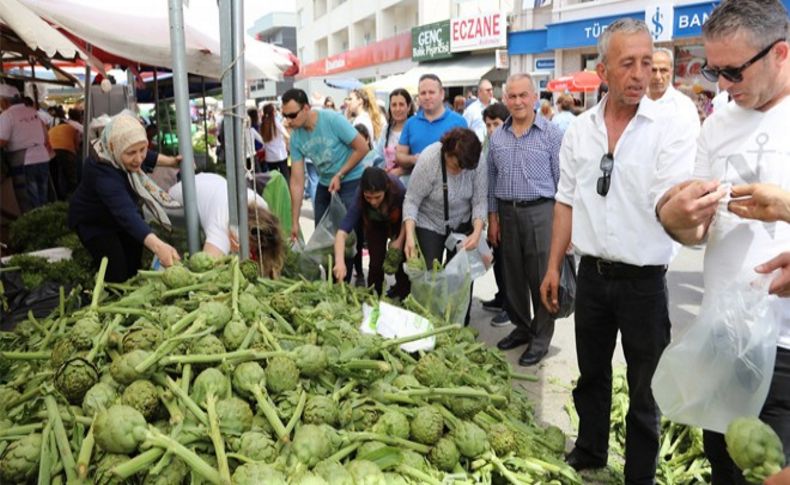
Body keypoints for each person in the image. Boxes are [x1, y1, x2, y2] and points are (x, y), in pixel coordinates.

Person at [538, 19, 697, 483]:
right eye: (627, 63)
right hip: (592, 276)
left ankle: (639, 474)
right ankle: (589, 450)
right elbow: (566, 200)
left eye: (647, 62)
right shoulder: (580, 131)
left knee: (647, 388)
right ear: (603, 68)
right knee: (591, 374)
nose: (640, 74)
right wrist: (553, 266)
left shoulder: (669, 126)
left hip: (645, 282)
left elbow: (672, 200)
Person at [655, 1, 790, 482]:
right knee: (727, 466)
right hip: (724, 338)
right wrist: (675, 217)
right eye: (715, 71)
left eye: (733, 71)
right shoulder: (717, 123)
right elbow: (695, 231)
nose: (723, 86)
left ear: (780, 54)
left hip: (784, 347)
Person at [487, 73, 564, 366]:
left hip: (541, 212)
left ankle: (541, 339)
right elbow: (491, 179)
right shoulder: (497, 137)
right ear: (505, 100)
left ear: (535, 97)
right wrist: (494, 218)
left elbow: (563, 184)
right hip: (507, 213)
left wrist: (562, 227)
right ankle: (521, 327)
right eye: (512, 96)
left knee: (541, 277)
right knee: (513, 276)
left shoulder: (552, 134)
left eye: (523, 96)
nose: (517, 102)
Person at [68, 113, 181, 282]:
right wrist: (159, 247)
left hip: (119, 217)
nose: (138, 159)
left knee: (134, 261)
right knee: (116, 270)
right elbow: (126, 213)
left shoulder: (120, 147)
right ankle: (110, 301)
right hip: (95, 222)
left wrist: (172, 161)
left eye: (141, 150)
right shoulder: (102, 172)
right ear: (115, 148)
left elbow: (145, 154)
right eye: (131, 153)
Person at [403, 127, 486, 325]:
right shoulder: (429, 159)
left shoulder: (478, 161)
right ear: (446, 153)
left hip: (462, 222)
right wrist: (409, 236)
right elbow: (412, 200)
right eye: (456, 166)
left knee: (462, 277)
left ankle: (458, 322)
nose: (460, 171)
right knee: (429, 276)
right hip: (429, 221)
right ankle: (428, 321)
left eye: (465, 167)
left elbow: (480, 200)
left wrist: (476, 231)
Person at [282, 88, 369, 241]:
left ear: (306, 108)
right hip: (325, 185)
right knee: (322, 240)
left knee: (349, 240)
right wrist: (294, 221)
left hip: (351, 182)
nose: (288, 121)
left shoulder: (332, 119)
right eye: (285, 116)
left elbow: (362, 148)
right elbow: (297, 181)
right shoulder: (295, 137)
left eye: (292, 115)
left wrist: (340, 174)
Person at [168, 172, 285, 277]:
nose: (251, 252)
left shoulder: (261, 206)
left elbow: (272, 260)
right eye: (251, 247)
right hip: (175, 198)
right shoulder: (222, 224)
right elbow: (206, 273)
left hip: (207, 180)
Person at [333, 166, 410, 298]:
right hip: (375, 225)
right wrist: (339, 262)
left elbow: (407, 218)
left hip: (398, 222)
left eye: (377, 197)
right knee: (375, 263)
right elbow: (342, 232)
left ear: (385, 189)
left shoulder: (398, 190)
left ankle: (402, 294)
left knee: (400, 259)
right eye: (368, 197)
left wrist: (399, 240)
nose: (373, 202)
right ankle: (374, 296)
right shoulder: (359, 196)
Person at [396, 74, 467, 183]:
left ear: (442, 94)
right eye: (423, 93)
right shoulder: (410, 123)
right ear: (418, 96)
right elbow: (399, 155)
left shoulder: (459, 121)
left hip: (451, 188)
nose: (427, 97)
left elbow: (467, 157)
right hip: (419, 188)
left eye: (431, 92)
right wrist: (414, 159)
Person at [479, 102, 513, 327]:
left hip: (507, 212)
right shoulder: (488, 144)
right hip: (493, 210)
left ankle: (511, 307)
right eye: (489, 125)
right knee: (498, 259)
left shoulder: (508, 145)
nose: (492, 129)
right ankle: (502, 297)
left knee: (509, 264)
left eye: (496, 124)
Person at [0, 86, 52, 210]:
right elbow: (45, 136)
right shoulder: (33, 112)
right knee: (42, 199)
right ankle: (45, 226)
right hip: (43, 159)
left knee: (28, 202)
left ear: (4, 101)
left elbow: (2, 141)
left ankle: (34, 228)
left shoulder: (7, 115)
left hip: (24, 162)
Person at [648, 47, 701, 131]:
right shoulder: (635, 103)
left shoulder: (684, 107)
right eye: (653, 70)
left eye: (663, 70)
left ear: (671, 72)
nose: (657, 77)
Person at [373, 88, 414, 174]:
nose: (397, 109)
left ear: (409, 107)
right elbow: (378, 155)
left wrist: (402, 171)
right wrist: (383, 168)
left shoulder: (415, 129)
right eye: (394, 105)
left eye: (401, 104)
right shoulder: (386, 130)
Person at [48, 113, 81, 199]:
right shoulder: (73, 128)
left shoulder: (52, 129)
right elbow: (77, 145)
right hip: (67, 151)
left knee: (56, 175)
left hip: (52, 152)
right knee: (71, 176)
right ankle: (72, 196)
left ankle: (58, 197)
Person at [260, 103, 290, 182]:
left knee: (273, 179)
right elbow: (287, 135)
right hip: (280, 155)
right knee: (285, 177)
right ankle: (287, 193)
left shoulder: (262, 124)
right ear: (273, 112)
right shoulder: (276, 122)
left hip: (269, 157)